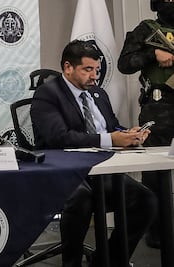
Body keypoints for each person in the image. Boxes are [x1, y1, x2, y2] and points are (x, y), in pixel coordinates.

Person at [30, 40, 157, 267]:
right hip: (63, 171)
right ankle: (72, 263)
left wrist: (128, 134)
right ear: (68, 67)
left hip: (101, 169)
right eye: (88, 70)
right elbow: (60, 138)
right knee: (81, 198)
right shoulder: (47, 94)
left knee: (145, 200)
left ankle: (107, 261)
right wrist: (110, 139)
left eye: (97, 70)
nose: (94, 76)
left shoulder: (98, 93)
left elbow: (112, 127)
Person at [117, 0, 174, 249]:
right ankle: (157, 233)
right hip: (159, 107)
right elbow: (124, 63)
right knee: (154, 173)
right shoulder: (146, 29)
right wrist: (153, 54)